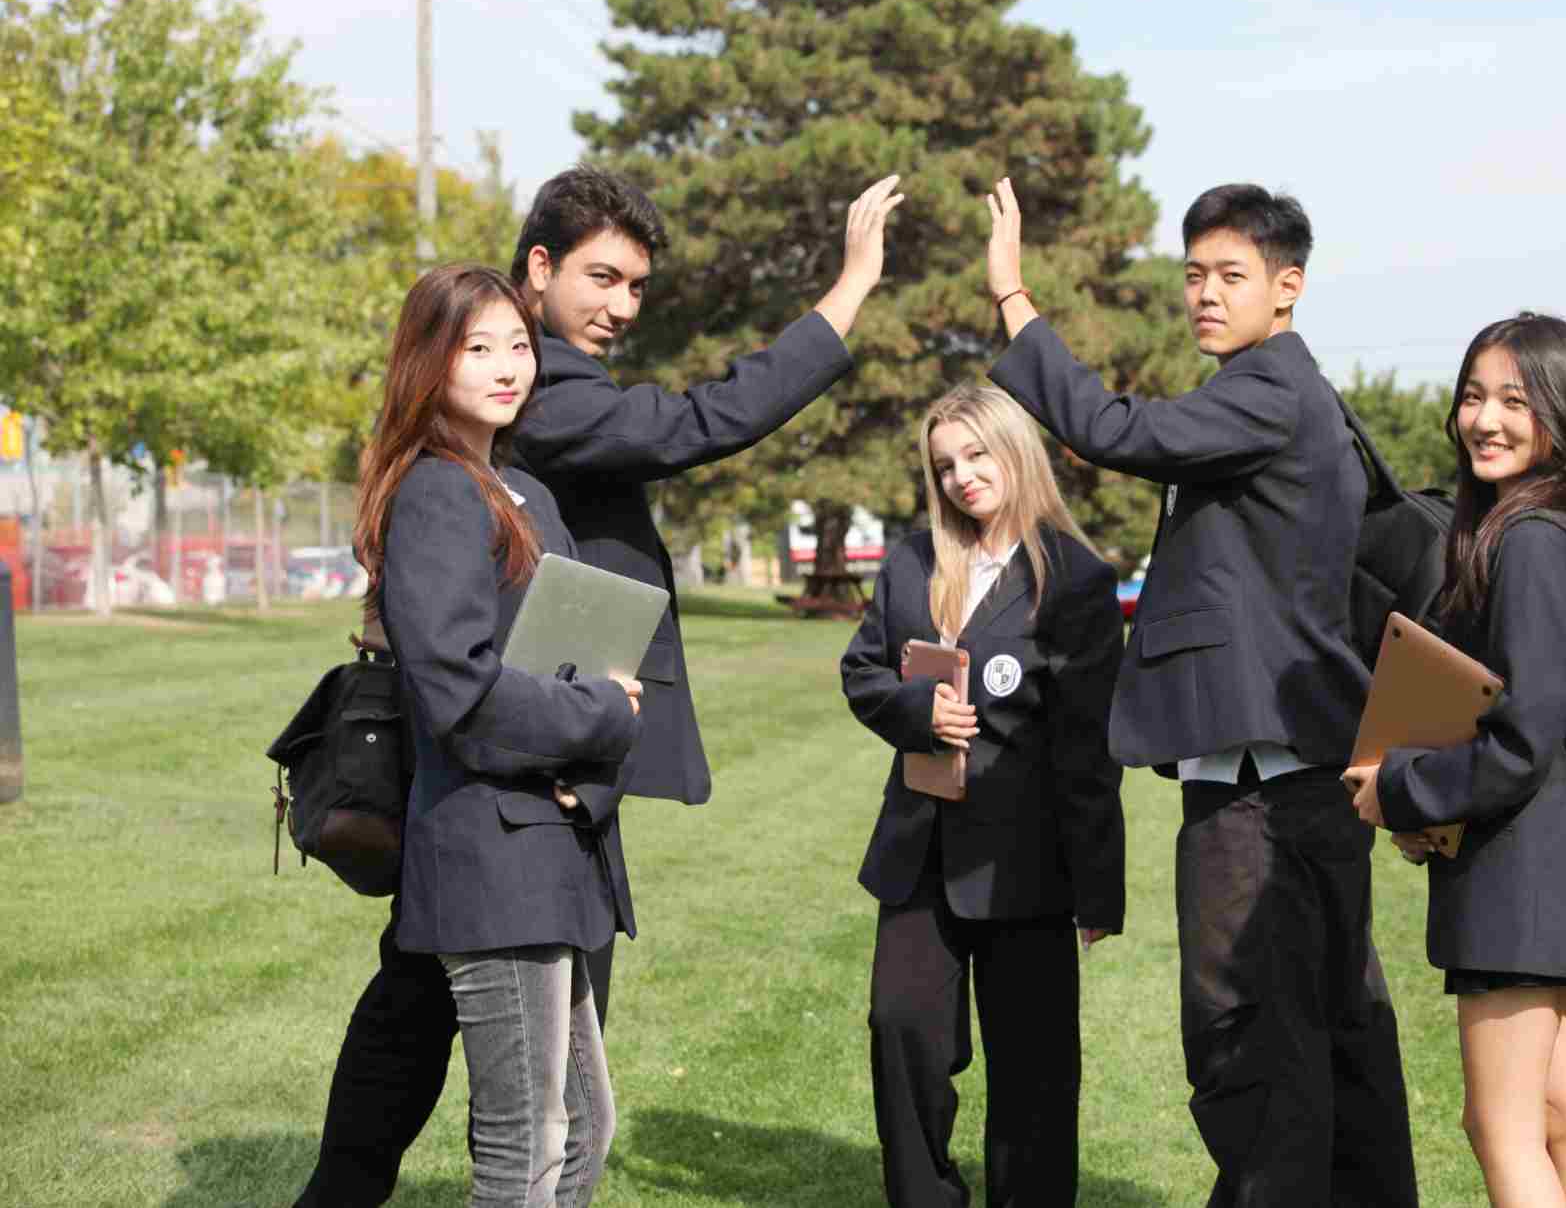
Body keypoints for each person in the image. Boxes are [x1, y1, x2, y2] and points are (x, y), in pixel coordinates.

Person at [294, 167, 903, 1207]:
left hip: (545, 768)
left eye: (637, 286)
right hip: (516, 778)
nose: (622, 306)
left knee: (502, 1063)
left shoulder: (520, 441)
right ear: (539, 268)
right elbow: (699, 421)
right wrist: (844, 295)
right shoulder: (541, 405)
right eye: (602, 277)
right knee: (521, 1110)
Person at [980, 179, 1418, 1207]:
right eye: (1193, 274)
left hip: (1264, 783)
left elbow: (1115, 428)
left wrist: (1011, 296)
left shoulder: (1269, 390)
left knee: (1247, 1030)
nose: (1204, 294)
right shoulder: (1287, 394)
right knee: (1334, 1031)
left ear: (1287, 286)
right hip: (1296, 770)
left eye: (1231, 274)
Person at [352, 262, 645, 1204]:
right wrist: (605, 716)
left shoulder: (521, 492)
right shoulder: (437, 493)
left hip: (549, 844)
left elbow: (567, 651)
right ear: (429, 363)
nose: (507, 365)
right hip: (490, 854)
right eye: (477, 348)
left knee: (584, 1130)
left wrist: (592, 756)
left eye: (518, 344)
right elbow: (459, 692)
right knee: (526, 1148)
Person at [1344, 312, 1566, 1208]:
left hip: (1517, 877)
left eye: (1515, 401)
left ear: (1562, 415)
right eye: (1473, 396)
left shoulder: (1528, 539)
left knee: (1501, 1127)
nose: (1486, 420)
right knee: (1564, 1119)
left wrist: (1401, 790)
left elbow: (1522, 736)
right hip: (1555, 868)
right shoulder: (1555, 527)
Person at [840, 382, 1126, 1207]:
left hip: (1026, 863)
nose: (962, 477)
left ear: (1015, 451)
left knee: (1034, 1068)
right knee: (901, 1029)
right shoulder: (911, 561)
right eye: (944, 465)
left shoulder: (1075, 580)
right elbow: (862, 671)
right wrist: (917, 710)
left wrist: (1097, 887)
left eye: (976, 455)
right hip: (918, 852)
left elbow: (1089, 749)